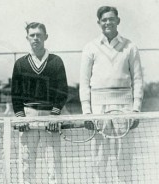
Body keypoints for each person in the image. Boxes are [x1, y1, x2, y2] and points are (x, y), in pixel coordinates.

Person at [79, 6, 143, 184]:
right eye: (104, 20)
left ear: (118, 21)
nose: (108, 22)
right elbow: (84, 82)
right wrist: (87, 112)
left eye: (111, 19)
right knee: (99, 157)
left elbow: (137, 79)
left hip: (125, 107)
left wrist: (136, 109)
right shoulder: (90, 47)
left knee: (124, 157)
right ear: (99, 23)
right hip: (98, 107)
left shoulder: (131, 46)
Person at [11, 22, 68, 184]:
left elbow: (62, 91)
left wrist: (54, 116)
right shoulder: (20, 63)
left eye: (39, 35)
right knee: (26, 162)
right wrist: (20, 117)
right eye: (32, 35)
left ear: (45, 37)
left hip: (50, 115)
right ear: (27, 38)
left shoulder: (56, 61)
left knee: (53, 162)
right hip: (28, 116)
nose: (35, 38)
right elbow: (15, 94)